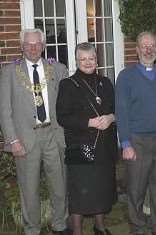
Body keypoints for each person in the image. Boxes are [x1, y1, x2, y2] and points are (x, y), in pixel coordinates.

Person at [0, 28, 70, 235]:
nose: (33, 48)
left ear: (43, 46)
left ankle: (60, 224)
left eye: (37, 44)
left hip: (53, 135)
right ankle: (32, 229)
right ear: (21, 47)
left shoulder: (57, 69)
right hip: (25, 138)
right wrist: (13, 141)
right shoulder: (9, 72)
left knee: (60, 185)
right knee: (29, 189)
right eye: (28, 44)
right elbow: (4, 110)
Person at [56, 42, 117, 235]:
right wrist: (89, 122)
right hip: (80, 145)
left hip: (104, 146)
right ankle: (77, 231)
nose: (87, 62)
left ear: (96, 60)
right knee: (79, 193)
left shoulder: (105, 83)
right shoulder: (67, 84)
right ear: (76, 61)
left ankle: (100, 227)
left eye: (91, 58)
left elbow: (117, 109)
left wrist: (111, 117)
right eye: (83, 59)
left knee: (101, 189)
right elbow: (62, 116)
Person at [115, 31, 156, 235]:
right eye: (144, 46)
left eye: (152, 46)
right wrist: (126, 143)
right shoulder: (126, 76)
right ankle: (137, 227)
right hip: (137, 140)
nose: (149, 49)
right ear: (137, 50)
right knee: (136, 189)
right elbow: (121, 111)